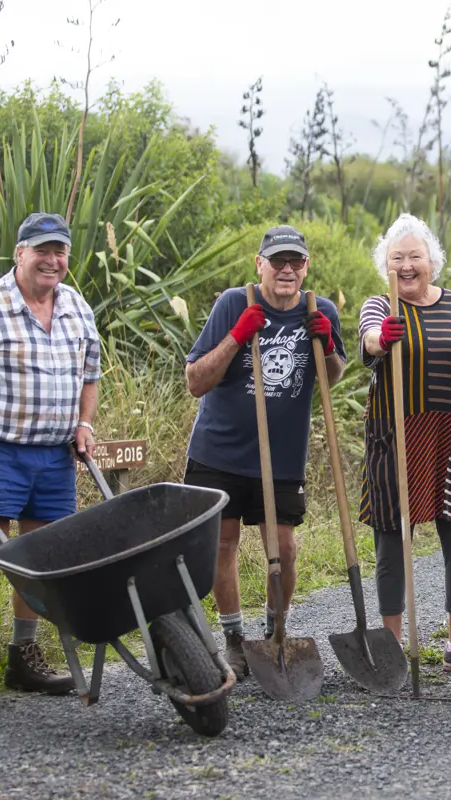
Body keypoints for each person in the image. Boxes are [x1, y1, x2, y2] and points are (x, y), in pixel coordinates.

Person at [0, 212, 99, 708]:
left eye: (61, 251)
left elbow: (91, 374)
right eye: (42, 250)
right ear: (20, 253)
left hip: (54, 455)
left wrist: (85, 424)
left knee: (40, 555)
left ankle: (24, 656)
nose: (52, 260)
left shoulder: (75, 306)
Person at [184, 225, 346, 679]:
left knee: (286, 550)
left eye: (296, 262)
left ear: (307, 267)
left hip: (281, 456)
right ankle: (235, 638)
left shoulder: (321, 309)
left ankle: (276, 631)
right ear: (260, 265)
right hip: (219, 451)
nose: (287, 270)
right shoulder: (235, 303)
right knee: (222, 543)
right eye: (278, 261)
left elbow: (329, 380)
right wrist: (237, 335)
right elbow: (195, 381)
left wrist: (328, 344)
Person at [358, 213, 451, 678]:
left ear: (432, 262)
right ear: (386, 265)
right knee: (391, 542)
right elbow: (366, 343)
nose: (406, 266)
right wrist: (381, 340)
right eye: (396, 258)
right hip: (395, 435)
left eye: (414, 257)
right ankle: (390, 644)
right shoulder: (380, 305)